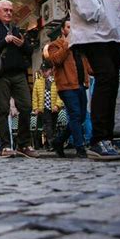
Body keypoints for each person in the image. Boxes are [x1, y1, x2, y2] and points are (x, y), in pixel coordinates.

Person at [65, 0, 120, 160]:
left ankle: (106, 138)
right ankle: (98, 139)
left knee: (110, 83)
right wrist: (98, 17)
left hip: (110, 35)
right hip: (95, 35)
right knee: (106, 78)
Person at [0, 0, 37, 158]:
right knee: (3, 110)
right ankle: (5, 146)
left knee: (26, 107)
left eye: (11, 10)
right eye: (5, 10)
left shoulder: (16, 29)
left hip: (18, 74)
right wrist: (4, 41)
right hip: (0, 74)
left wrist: (22, 44)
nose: (9, 12)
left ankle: (24, 144)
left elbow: (30, 51)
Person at [46, 16, 91, 158]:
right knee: (75, 115)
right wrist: (67, 43)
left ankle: (58, 141)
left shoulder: (79, 46)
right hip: (66, 86)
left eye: (73, 27)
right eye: (68, 27)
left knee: (81, 116)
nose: (71, 30)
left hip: (80, 85)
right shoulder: (56, 44)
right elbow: (56, 60)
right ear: (63, 30)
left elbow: (87, 64)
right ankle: (80, 147)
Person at [32, 64, 63, 150]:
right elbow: (35, 96)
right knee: (48, 124)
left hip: (53, 108)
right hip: (44, 108)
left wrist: (57, 105)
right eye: (43, 71)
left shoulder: (55, 81)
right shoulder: (38, 82)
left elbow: (59, 94)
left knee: (52, 125)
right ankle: (52, 144)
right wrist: (35, 108)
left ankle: (47, 144)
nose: (44, 73)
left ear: (50, 70)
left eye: (46, 70)